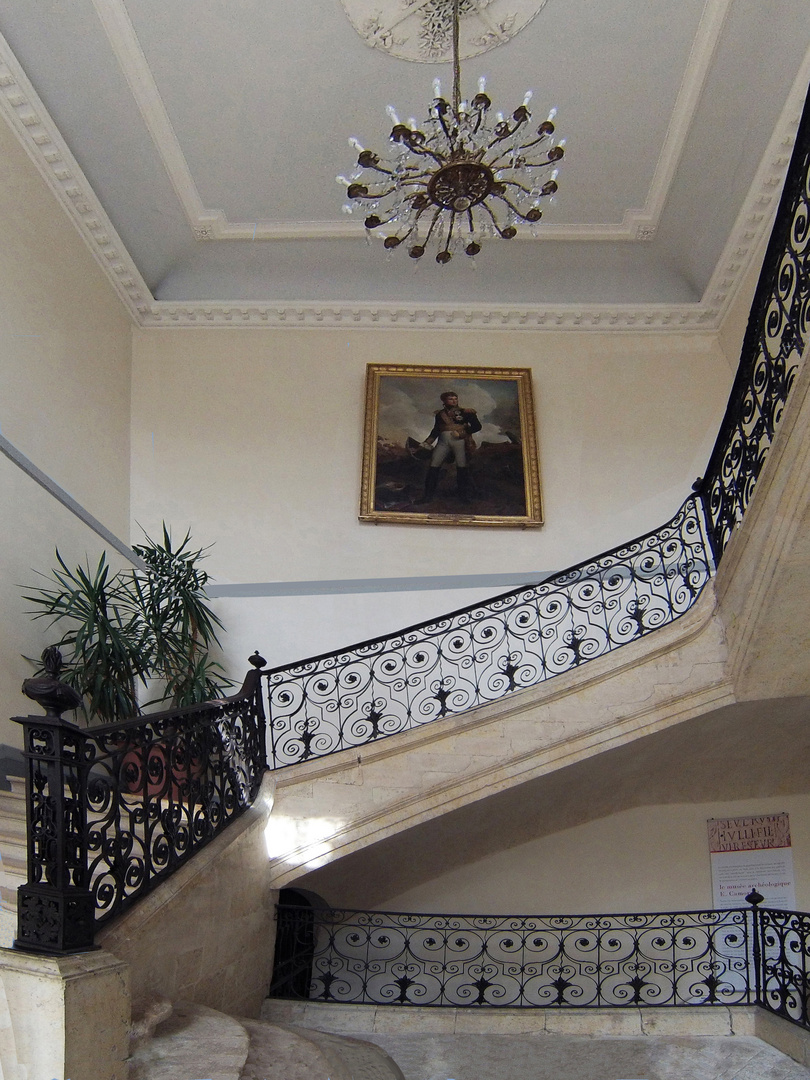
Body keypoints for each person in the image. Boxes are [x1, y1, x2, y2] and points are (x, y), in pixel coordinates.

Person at [417, 391, 482, 504]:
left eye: (455, 398)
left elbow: (477, 426)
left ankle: (463, 497)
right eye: (451, 399)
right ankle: (427, 497)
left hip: (460, 442)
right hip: (442, 443)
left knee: (461, 467)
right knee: (433, 467)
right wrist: (427, 442)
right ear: (444, 401)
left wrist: (462, 433)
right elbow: (436, 430)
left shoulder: (466, 412)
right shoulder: (439, 414)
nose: (454, 401)